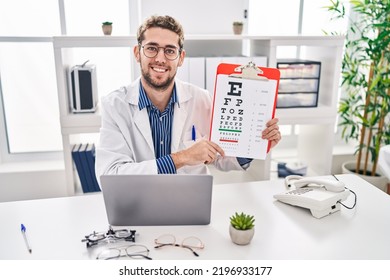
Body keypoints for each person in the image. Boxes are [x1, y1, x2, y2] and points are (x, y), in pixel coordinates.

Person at [95, 15, 281, 178]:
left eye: (169, 50)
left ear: (181, 58)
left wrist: (255, 143)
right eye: (151, 48)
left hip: (191, 200)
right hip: (137, 203)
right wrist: (182, 158)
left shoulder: (201, 99)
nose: (160, 59)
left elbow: (220, 157)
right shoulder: (114, 106)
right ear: (137, 53)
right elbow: (110, 174)